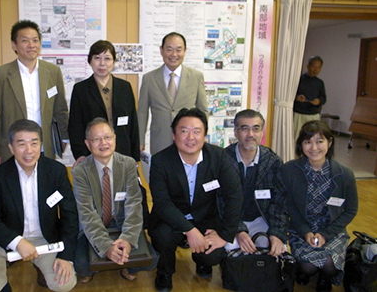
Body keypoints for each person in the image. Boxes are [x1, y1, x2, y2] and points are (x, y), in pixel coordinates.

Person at [0, 119, 78, 292]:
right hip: (12, 237)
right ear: (11, 147)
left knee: (64, 283)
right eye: (21, 144)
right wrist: (17, 242)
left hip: (45, 239)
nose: (29, 151)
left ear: (41, 144)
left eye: (34, 143)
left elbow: (70, 215)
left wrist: (66, 258)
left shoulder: (56, 171)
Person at [148, 108, 242, 292]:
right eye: (184, 131)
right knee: (163, 236)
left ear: (205, 135)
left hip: (205, 216)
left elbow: (234, 196)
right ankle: (164, 272)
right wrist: (190, 230)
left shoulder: (219, 157)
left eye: (197, 131)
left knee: (213, 254)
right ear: (174, 135)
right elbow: (162, 203)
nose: (190, 137)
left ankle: (202, 261)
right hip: (172, 217)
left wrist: (225, 235)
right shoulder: (160, 161)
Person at [72, 118, 158, 283]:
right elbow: (87, 214)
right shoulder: (80, 171)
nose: (103, 143)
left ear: (115, 139)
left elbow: (134, 205)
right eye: (96, 139)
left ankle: (122, 262)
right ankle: (101, 263)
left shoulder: (128, 164)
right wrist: (106, 247)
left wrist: (127, 239)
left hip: (120, 224)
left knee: (152, 260)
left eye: (107, 137)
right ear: (88, 144)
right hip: (93, 226)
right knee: (81, 264)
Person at [281, 120, 358, 292]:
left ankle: (325, 276)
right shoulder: (290, 170)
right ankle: (304, 270)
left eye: (320, 141)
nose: (314, 147)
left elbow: (351, 210)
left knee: (329, 264)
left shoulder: (344, 174)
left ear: (329, 143)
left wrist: (325, 233)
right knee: (307, 267)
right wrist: (305, 231)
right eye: (308, 142)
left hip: (332, 229)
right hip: (301, 228)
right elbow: (289, 206)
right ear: (301, 145)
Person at [0, 20, 69, 167]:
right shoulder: (0, 75)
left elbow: (60, 109)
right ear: (14, 45)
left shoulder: (52, 72)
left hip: (44, 146)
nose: (31, 45)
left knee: (44, 186)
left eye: (35, 40)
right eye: (25, 41)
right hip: (12, 148)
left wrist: (64, 138)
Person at [224, 109, 288, 256]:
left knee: (273, 250)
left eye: (256, 129)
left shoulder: (273, 161)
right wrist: (239, 230)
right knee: (233, 251)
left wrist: (277, 234)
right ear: (235, 132)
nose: (250, 134)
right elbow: (220, 201)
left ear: (261, 132)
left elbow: (280, 202)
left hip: (261, 218)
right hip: (231, 220)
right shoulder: (223, 160)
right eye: (244, 128)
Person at [68, 40, 140, 164]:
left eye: (107, 58)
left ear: (114, 62)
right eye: (97, 58)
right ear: (90, 61)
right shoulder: (81, 89)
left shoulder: (125, 87)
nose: (102, 64)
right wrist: (81, 154)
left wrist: (134, 156)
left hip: (123, 152)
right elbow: (75, 126)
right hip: (92, 153)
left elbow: (133, 124)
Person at [138, 32, 208, 155]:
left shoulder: (196, 77)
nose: (174, 54)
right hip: (160, 139)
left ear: (184, 51)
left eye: (178, 50)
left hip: (188, 139)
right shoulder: (149, 78)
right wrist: (140, 140)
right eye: (169, 49)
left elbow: (203, 110)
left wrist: (201, 135)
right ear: (161, 50)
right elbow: (142, 112)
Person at [293, 55, 327, 138]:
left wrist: (318, 101)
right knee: (297, 137)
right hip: (299, 113)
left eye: (318, 67)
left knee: (313, 137)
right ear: (308, 66)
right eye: (313, 67)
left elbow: (323, 98)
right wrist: (297, 98)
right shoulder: (299, 79)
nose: (316, 70)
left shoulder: (320, 82)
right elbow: (290, 95)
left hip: (313, 114)